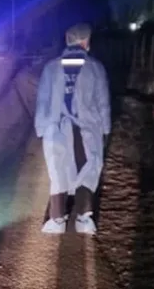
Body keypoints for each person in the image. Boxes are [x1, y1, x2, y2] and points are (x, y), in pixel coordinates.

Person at [34, 23, 111, 235]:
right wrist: (105, 129)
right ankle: (84, 218)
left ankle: (57, 219)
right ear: (85, 42)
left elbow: (43, 101)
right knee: (89, 169)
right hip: (87, 128)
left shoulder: (51, 67)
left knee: (58, 170)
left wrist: (41, 128)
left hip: (56, 126)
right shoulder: (96, 67)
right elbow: (102, 102)